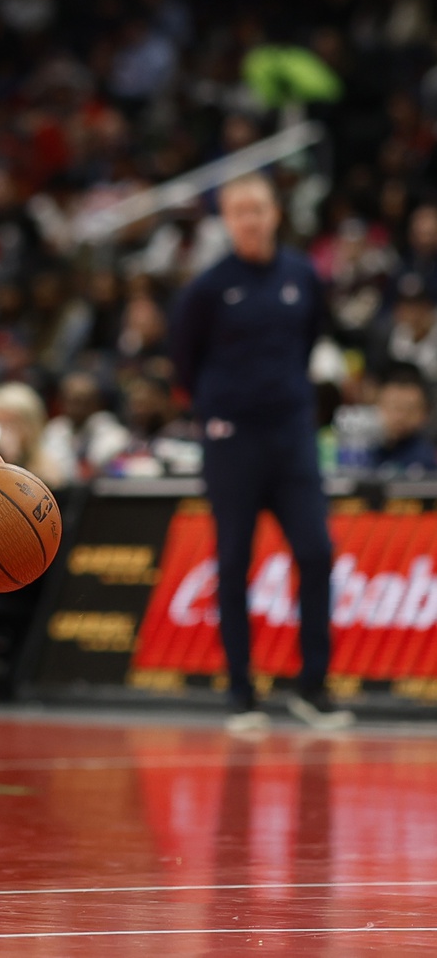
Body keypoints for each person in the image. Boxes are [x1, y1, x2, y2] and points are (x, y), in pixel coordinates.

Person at [170, 173, 353, 732]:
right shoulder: (206, 289)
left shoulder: (301, 274)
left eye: (258, 208)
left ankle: (312, 688)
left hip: (292, 436)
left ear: (276, 213)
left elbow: (311, 339)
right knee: (232, 562)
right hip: (233, 441)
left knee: (317, 553)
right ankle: (242, 694)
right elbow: (183, 366)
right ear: (226, 220)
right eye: (238, 211)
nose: (249, 219)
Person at [367, 365, 437, 474]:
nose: (400, 417)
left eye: (409, 409)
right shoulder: (364, 452)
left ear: (425, 413)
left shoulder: (428, 458)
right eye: (393, 407)